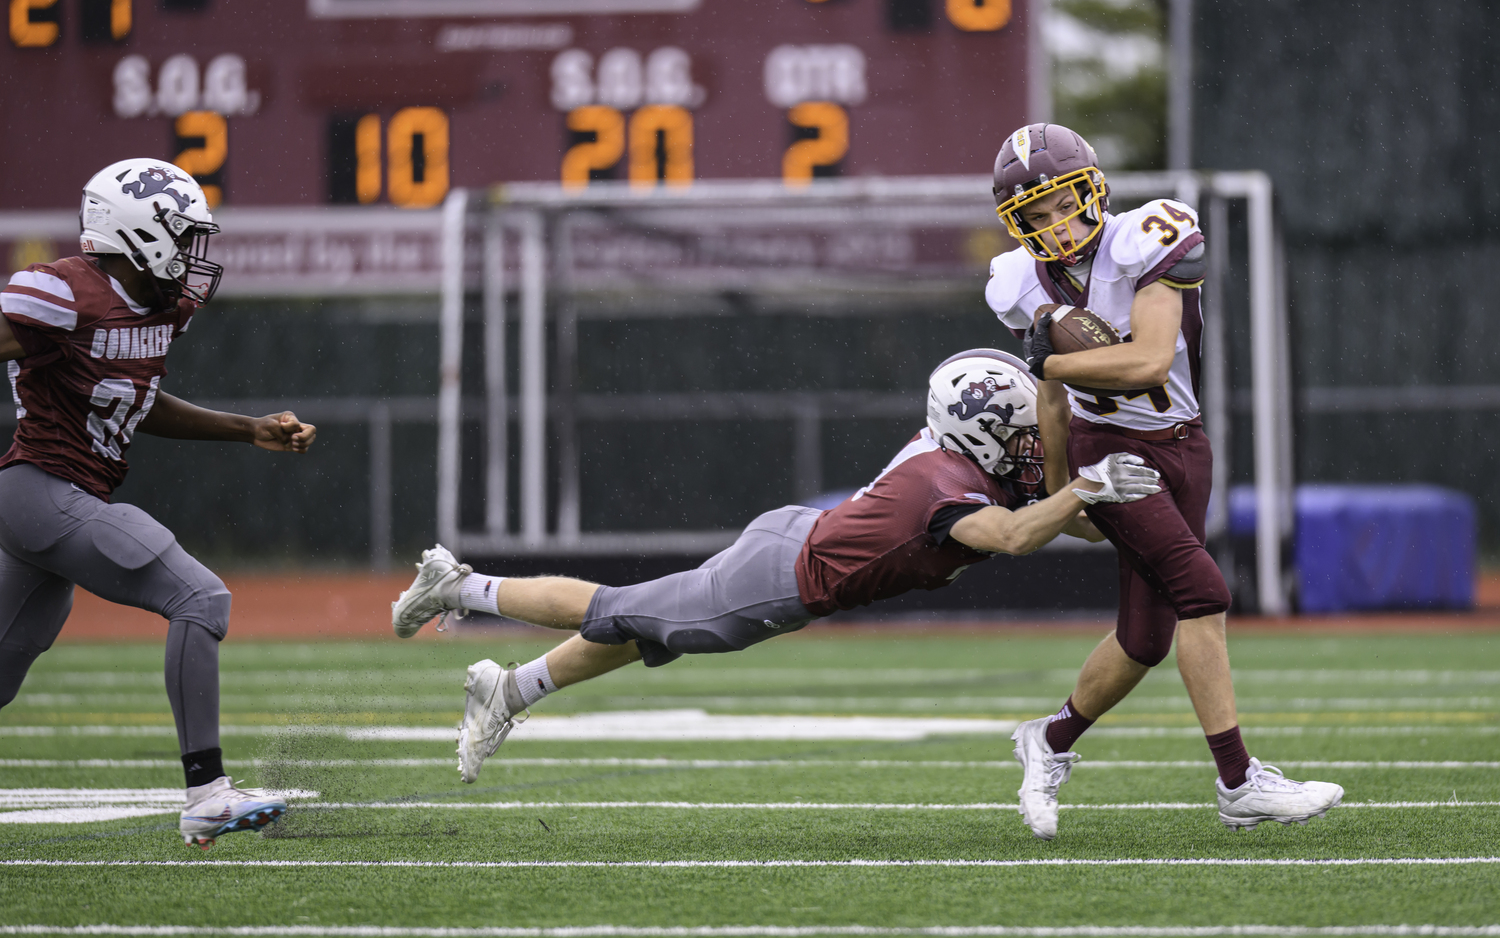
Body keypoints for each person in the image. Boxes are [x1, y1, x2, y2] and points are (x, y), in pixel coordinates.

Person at [390, 348, 1162, 784]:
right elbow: (1022, 537)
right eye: (1019, 431)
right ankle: (460, 585)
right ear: (984, 431)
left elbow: (1065, 516)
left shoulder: (962, 458)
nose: (1030, 445)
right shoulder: (946, 486)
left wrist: (1078, 475)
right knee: (620, 611)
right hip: (780, 584)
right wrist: (1085, 491)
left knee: (644, 623)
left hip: (793, 541)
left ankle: (509, 688)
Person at [984, 123, 1343, 838]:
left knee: (1144, 638)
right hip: (1108, 450)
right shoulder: (1017, 280)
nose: (1055, 223)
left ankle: (1048, 741)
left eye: (1063, 204)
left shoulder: (1148, 235)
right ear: (1017, 223)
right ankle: (1239, 781)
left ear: (1093, 191)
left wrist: (1046, 360)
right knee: (1203, 592)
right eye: (1036, 214)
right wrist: (1063, 492)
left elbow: (1149, 361)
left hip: (1184, 441)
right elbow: (1052, 404)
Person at [0, 159, 318, 849]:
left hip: (57, 499)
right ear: (137, 231)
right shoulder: (63, 291)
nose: (195, 252)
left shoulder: (159, 306)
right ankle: (208, 794)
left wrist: (247, 427)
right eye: (183, 234)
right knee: (199, 598)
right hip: (41, 489)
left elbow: (135, 399)